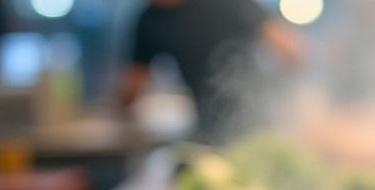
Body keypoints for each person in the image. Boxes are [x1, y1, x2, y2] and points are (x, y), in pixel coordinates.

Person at [120, 0, 303, 143]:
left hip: (261, 121)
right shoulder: (149, 21)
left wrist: (283, 97)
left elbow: (292, 50)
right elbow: (132, 89)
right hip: (209, 129)